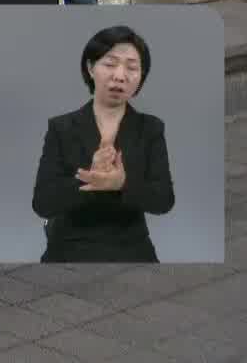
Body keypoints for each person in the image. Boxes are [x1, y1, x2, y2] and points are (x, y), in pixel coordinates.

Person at [32, 25, 174, 262]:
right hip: (70, 245)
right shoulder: (62, 127)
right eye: (110, 64)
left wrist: (122, 183)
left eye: (132, 67)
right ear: (90, 68)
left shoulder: (150, 128)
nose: (120, 75)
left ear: (140, 77)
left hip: (131, 246)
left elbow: (163, 199)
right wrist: (88, 177)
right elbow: (43, 203)